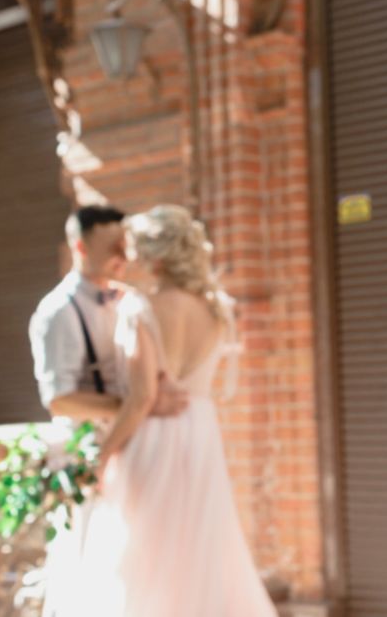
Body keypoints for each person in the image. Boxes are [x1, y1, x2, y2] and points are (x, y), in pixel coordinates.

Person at [70, 204, 278, 617]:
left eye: (138, 250)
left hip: (153, 437)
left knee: (141, 555)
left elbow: (142, 398)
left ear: (158, 257)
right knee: (202, 551)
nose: (131, 258)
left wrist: (103, 453)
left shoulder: (140, 307)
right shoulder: (216, 309)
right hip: (200, 434)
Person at [29, 205, 189, 617]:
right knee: (87, 568)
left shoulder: (130, 301)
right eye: (113, 247)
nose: (124, 254)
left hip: (132, 447)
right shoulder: (57, 312)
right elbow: (60, 399)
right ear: (80, 247)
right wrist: (139, 402)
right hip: (86, 455)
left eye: (125, 244)